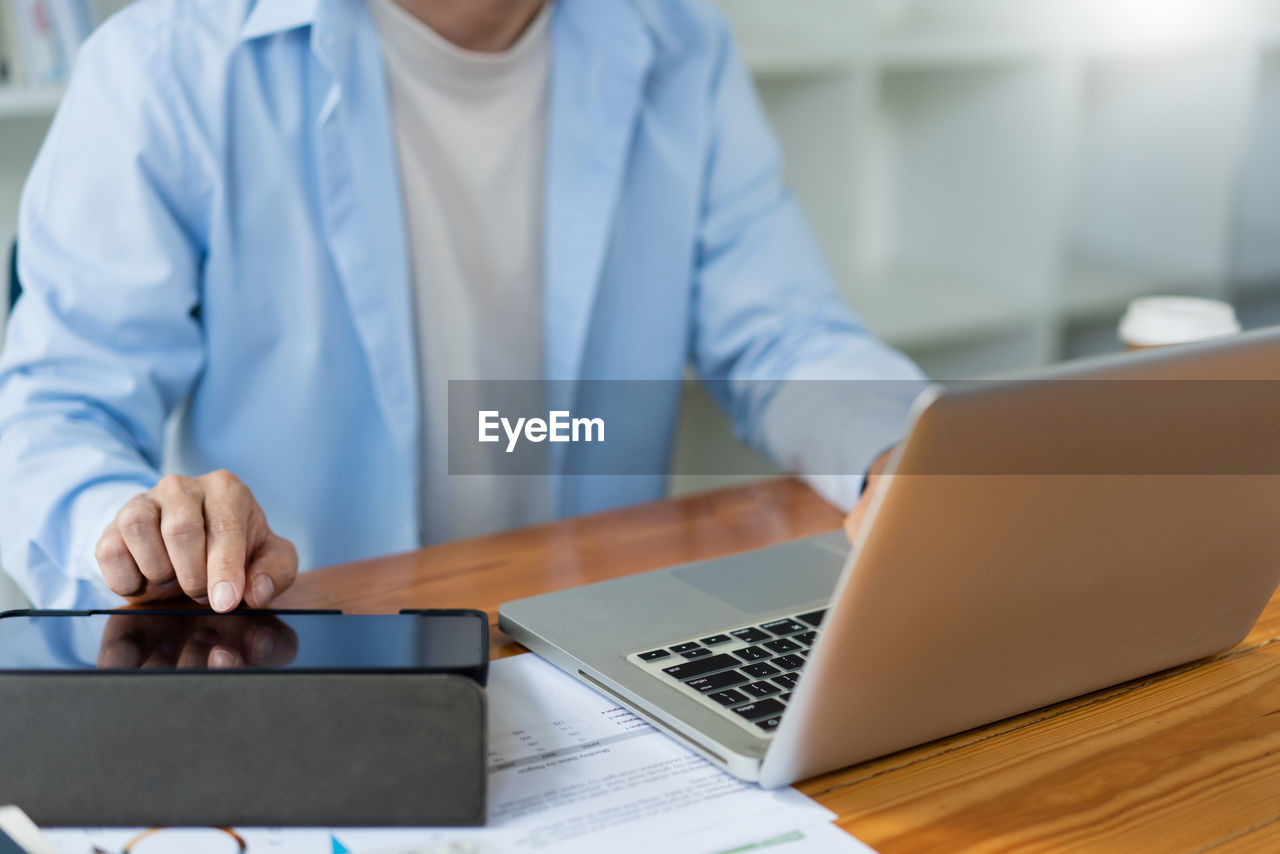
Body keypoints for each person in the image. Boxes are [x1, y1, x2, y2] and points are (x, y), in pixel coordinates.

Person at [0, 0, 923, 612]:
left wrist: (902, 457)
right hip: (305, 647)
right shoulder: (167, 65)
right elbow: (54, 414)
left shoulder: (680, 43)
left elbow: (783, 330)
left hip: (596, 643)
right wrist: (140, 533)